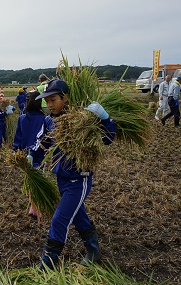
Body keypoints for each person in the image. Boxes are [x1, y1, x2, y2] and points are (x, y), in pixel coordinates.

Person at [35, 79, 116, 270]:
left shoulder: (81, 121)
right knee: (78, 216)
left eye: (53, 99)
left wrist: (105, 119)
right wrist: (30, 157)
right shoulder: (49, 120)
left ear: (65, 98)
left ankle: (47, 264)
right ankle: (93, 250)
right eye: (46, 101)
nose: (49, 104)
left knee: (59, 219)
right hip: (61, 178)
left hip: (79, 180)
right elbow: (41, 142)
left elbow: (106, 139)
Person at [13, 90, 52, 218]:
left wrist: (16, 152)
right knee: (38, 181)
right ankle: (36, 208)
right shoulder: (45, 119)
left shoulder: (22, 118)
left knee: (30, 181)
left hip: (25, 155)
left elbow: (17, 137)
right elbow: (46, 139)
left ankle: (32, 207)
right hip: (39, 155)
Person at [0, 92, 15, 160]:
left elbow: (13, 108)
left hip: (7, 124)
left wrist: (9, 108)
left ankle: (10, 153)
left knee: (8, 138)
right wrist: (6, 112)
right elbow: (0, 114)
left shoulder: (6, 104)